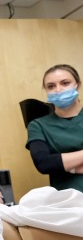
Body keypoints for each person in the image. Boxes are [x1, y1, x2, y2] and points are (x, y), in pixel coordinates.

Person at [26, 64, 83, 192]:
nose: (58, 89)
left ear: (77, 85)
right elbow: (44, 163)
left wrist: (66, 166)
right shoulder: (38, 125)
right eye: (51, 86)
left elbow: (54, 163)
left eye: (65, 83)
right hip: (68, 200)